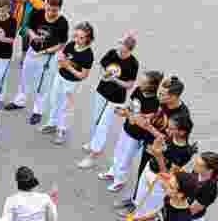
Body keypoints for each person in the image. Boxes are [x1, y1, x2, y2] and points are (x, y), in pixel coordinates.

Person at [115, 75, 191, 212]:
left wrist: (147, 127)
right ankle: (135, 199)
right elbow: (157, 114)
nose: (158, 96)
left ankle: (140, 208)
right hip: (151, 143)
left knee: (152, 183)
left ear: (174, 96)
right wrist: (144, 117)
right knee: (142, 171)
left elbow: (170, 140)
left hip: (163, 154)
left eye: (162, 94)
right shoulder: (164, 103)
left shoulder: (181, 116)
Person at [3, 0, 68, 127]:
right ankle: (19, 101)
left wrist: (45, 52)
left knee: (43, 84)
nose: (50, 12)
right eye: (49, 9)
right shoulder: (38, 13)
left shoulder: (62, 22)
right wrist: (32, 35)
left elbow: (62, 44)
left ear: (59, 9)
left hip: (48, 57)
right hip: (33, 51)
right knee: (25, 77)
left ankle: (38, 111)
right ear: (45, 5)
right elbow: (27, 27)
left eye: (54, 10)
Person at [77, 32, 138, 170]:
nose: (118, 46)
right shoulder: (112, 53)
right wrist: (104, 75)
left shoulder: (133, 63)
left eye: (121, 44)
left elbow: (130, 85)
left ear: (127, 48)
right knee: (95, 119)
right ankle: (93, 143)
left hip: (115, 99)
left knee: (103, 125)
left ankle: (93, 155)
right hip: (101, 92)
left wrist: (114, 79)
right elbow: (102, 65)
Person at [99, 70, 163, 193]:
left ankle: (119, 180)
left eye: (143, 82)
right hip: (127, 127)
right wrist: (124, 111)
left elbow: (145, 120)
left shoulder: (154, 101)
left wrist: (128, 114)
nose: (139, 83)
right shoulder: (138, 90)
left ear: (151, 86)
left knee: (126, 157)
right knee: (118, 151)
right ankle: (113, 172)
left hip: (137, 135)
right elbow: (131, 106)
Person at [41, 21, 94, 145]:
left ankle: (62, 130)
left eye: (81, 38)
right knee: (54, 100)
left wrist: (68, 67)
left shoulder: (88, 55)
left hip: (72, 83)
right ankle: (52, 123)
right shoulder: (71, 45)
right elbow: (62, 58)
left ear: (88, 39)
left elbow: (83, 75)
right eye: (76, 36)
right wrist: (60, 63)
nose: (77, 39)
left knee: (66, 107)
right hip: (60, 77)